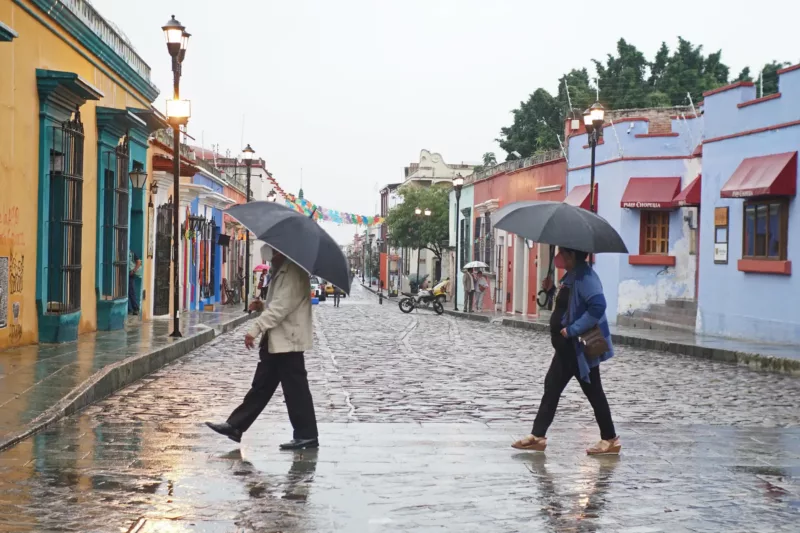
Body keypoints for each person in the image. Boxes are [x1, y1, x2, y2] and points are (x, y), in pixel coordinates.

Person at [206, 247, 318, 450]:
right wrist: (262, 305)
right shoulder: (283, 271)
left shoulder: (293, 273)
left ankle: (307, 435)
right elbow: (277, 304)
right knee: (261, 386)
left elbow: (281, 308)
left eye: (275, 251)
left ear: (283, 252)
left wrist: (255, 328)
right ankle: (235, 426)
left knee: (296, 390)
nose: (271, 255)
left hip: (288, 340)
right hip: (277, 339)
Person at [512, 247, 620, 456]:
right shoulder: (572, 275)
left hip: (575, 347)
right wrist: (552, 290)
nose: (559, 255)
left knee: (592, 390)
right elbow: (568, 305)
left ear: (571, 255)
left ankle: (609, 439)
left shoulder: (586, 277)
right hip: (565, 347)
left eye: (562, 252)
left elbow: (598, 306)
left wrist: (573, 329)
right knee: (553, 386)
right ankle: (538, 435)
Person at [128, 250, 142, 315]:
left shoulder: (132, 253)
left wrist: (133, 271)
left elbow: (139, 262)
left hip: (130, 275)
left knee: (131, 292)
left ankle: (135, 308)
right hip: (124, 274)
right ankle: (129, 309)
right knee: (125, 292)